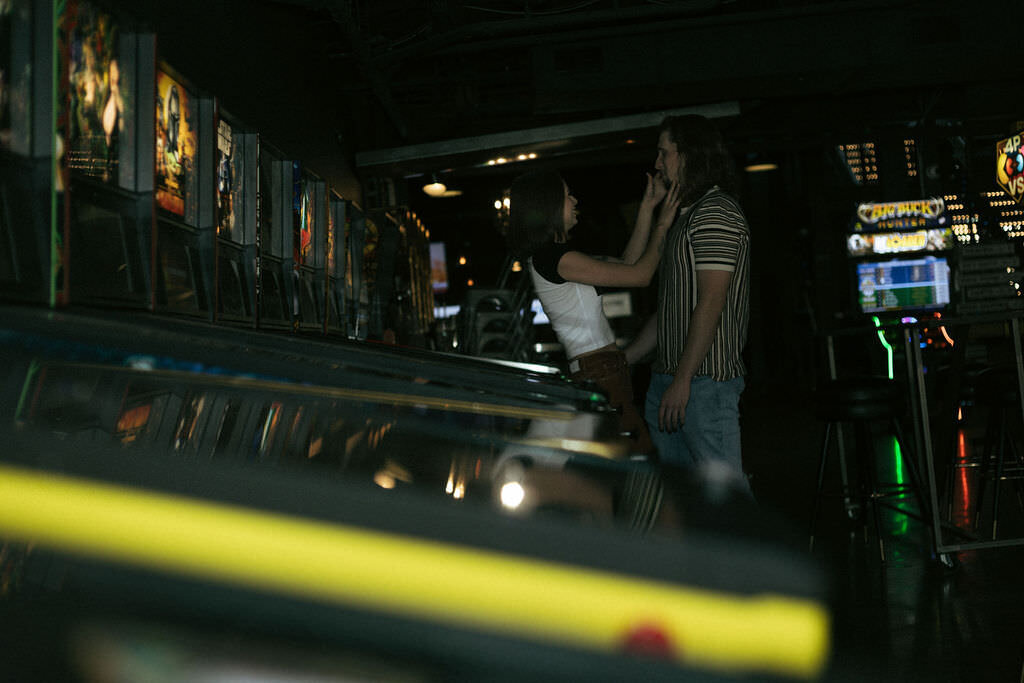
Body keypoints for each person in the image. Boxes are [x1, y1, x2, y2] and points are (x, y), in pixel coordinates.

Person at [508, 169, 680, 455]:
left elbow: (628, 264)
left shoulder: (555, 258)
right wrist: (663, 224)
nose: (574, 200)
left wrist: (648, 208)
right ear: (548, 205)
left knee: (631, 460)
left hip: (600, 369)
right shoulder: (557, 259)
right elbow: (641, 275)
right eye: (566, 196)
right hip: (600, 371)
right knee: (638, 459)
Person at [624, 114, 752, 494]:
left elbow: (711, 303)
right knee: (689, 507)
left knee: (726, 501)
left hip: (702, 383)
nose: (657, 163)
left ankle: (759, 556)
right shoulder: (686, 216)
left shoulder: (716, 212)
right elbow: (671, 311)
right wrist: (626, 359)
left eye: (664, 153)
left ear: (690, 155)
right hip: (674, 380)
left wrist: (682, 381)